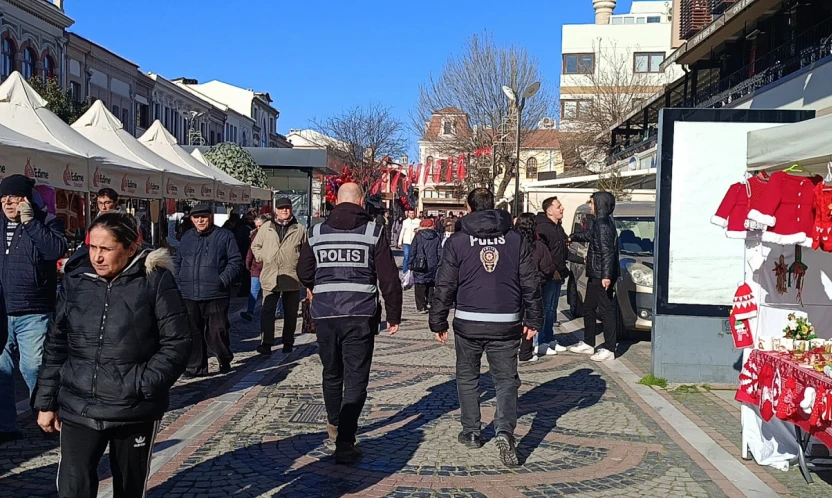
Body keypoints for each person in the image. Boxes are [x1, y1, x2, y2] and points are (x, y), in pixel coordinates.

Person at [33, 212, 191, 498]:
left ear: (130, 248)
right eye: (93, 247)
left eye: (106, 249)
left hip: (133, 409)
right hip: (78, 406)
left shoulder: (154, 281)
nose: (97, 256)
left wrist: (142, 383)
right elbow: (56, 343)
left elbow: (177, 342)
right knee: (73, 488)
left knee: (129, 489)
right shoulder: (76, 278)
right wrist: (46, 402)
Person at [430, 188, 542, 467]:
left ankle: (471, 432)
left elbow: (445, 284)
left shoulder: (457, 241)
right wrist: (533, 319)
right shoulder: (515, 239)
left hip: (468, 320)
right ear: (493, 207)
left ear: (469, 208)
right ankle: (504, 430)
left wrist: (438, 319)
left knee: (468, 378)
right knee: (505, 380)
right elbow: (530, 281)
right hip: (506, 322)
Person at [297, 182, 402, 464]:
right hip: (360, 314)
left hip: (325, 314)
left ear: (337, 202)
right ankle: (345, 440)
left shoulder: (316, 232)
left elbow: (303, 269)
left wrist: (314, 286)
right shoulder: (373, 232)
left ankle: (334, 424)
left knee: (332, 373)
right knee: (355, 377)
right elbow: (389, 279)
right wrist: (394, 315)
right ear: (360, 202)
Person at [0, 175, 67, 443]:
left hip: (34, 309)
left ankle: (46, 417)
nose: (7, 203)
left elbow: (54, 251)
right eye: (3, 198)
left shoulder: (48, 222)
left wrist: (29, 222)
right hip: (2, 310)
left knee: (33, 368)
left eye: (13, 198)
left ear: (26, 199)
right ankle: (5, 426)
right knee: (2, 373)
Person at [175, 203, 242, 376]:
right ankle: (195, 367)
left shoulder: (225, 236)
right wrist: (178, 280)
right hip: (189, 293)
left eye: (203, 217)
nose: (200, 220)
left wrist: (222, 280)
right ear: (192, 219)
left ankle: (224, 357)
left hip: (215, 293)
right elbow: (177, 261)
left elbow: (235, 262)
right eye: (196, 218)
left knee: (216, 332)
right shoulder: (187, 237)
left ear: (210, 218)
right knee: (193, 333)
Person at [568, 192, 619, 362]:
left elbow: (607, 252)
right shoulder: (598, 222)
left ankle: (610, 348)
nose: (590, 205)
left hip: (601, 275)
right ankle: (589, 343)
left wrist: (606, 275)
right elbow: (589, 236)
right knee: (588, 308)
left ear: (600, 204)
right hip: (595, 272)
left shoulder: (604, 224)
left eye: (592, 202)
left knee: (606, 310)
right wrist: (573, 236)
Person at [251, 198, 307, 355]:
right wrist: (264, 256)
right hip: (270, 275)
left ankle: (288, 341)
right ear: (276, 210)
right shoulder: (266, 227)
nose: (284, 211)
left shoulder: (299, 229)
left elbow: (306, 252)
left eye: (287, 208)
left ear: (291, 209)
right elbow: (255, 245)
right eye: (281, 208)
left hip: (292, 276)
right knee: (267, 311)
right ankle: (266, 343)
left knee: (290, 312)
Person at [515, 213, 555, 362]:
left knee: (514, 317)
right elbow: (548, 267)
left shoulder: (511, 244)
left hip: (513, 286)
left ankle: (512, 347)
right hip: (533, 285)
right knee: (530, 317)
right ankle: (525, 352)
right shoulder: (539, 246)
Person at [534, 197, 569, 355]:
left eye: (561, 206)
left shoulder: (558, 227)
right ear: (549, 211)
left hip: (558, 275)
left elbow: (563, 250)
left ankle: (549, 338)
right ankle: (541, 341)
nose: (562, 209)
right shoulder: (542, 228)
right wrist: (549, 269)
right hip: (548, 275)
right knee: (545, 308)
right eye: (558, 206)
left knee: (552, 309)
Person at [241, 214, 271, 322]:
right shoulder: (254, 235)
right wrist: (248, 264)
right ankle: (250, 311)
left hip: (268, 267)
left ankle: (275, 311)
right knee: (254, 290)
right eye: (256, 225)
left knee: (271, 290)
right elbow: (250, 251)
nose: (258, 228)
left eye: (260, 225)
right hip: (256, 267)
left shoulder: (272, 235)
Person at [409, 219, 443, 313]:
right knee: (431, 283)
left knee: (420, 284)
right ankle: (430, 302)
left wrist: (410, 263)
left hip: (419, 262)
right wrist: (439, 262)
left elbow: (413, 250)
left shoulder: (418, 236)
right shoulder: (436, 236)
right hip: (433, 262)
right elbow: (440, 251)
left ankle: (421, 306)